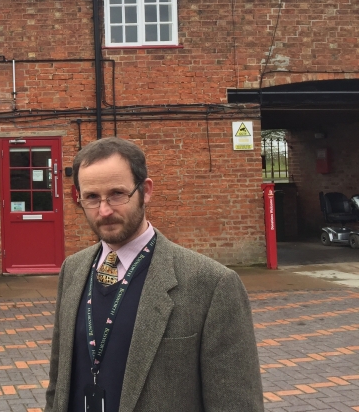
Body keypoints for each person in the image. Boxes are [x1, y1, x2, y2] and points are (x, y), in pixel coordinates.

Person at [45, 137, 263, 412]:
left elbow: (236, 403)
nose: (104, 210)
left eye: (117, 194)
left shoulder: (211, 284)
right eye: (92, 197)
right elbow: (58, 382)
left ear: (145, 190)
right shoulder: (73, 270)